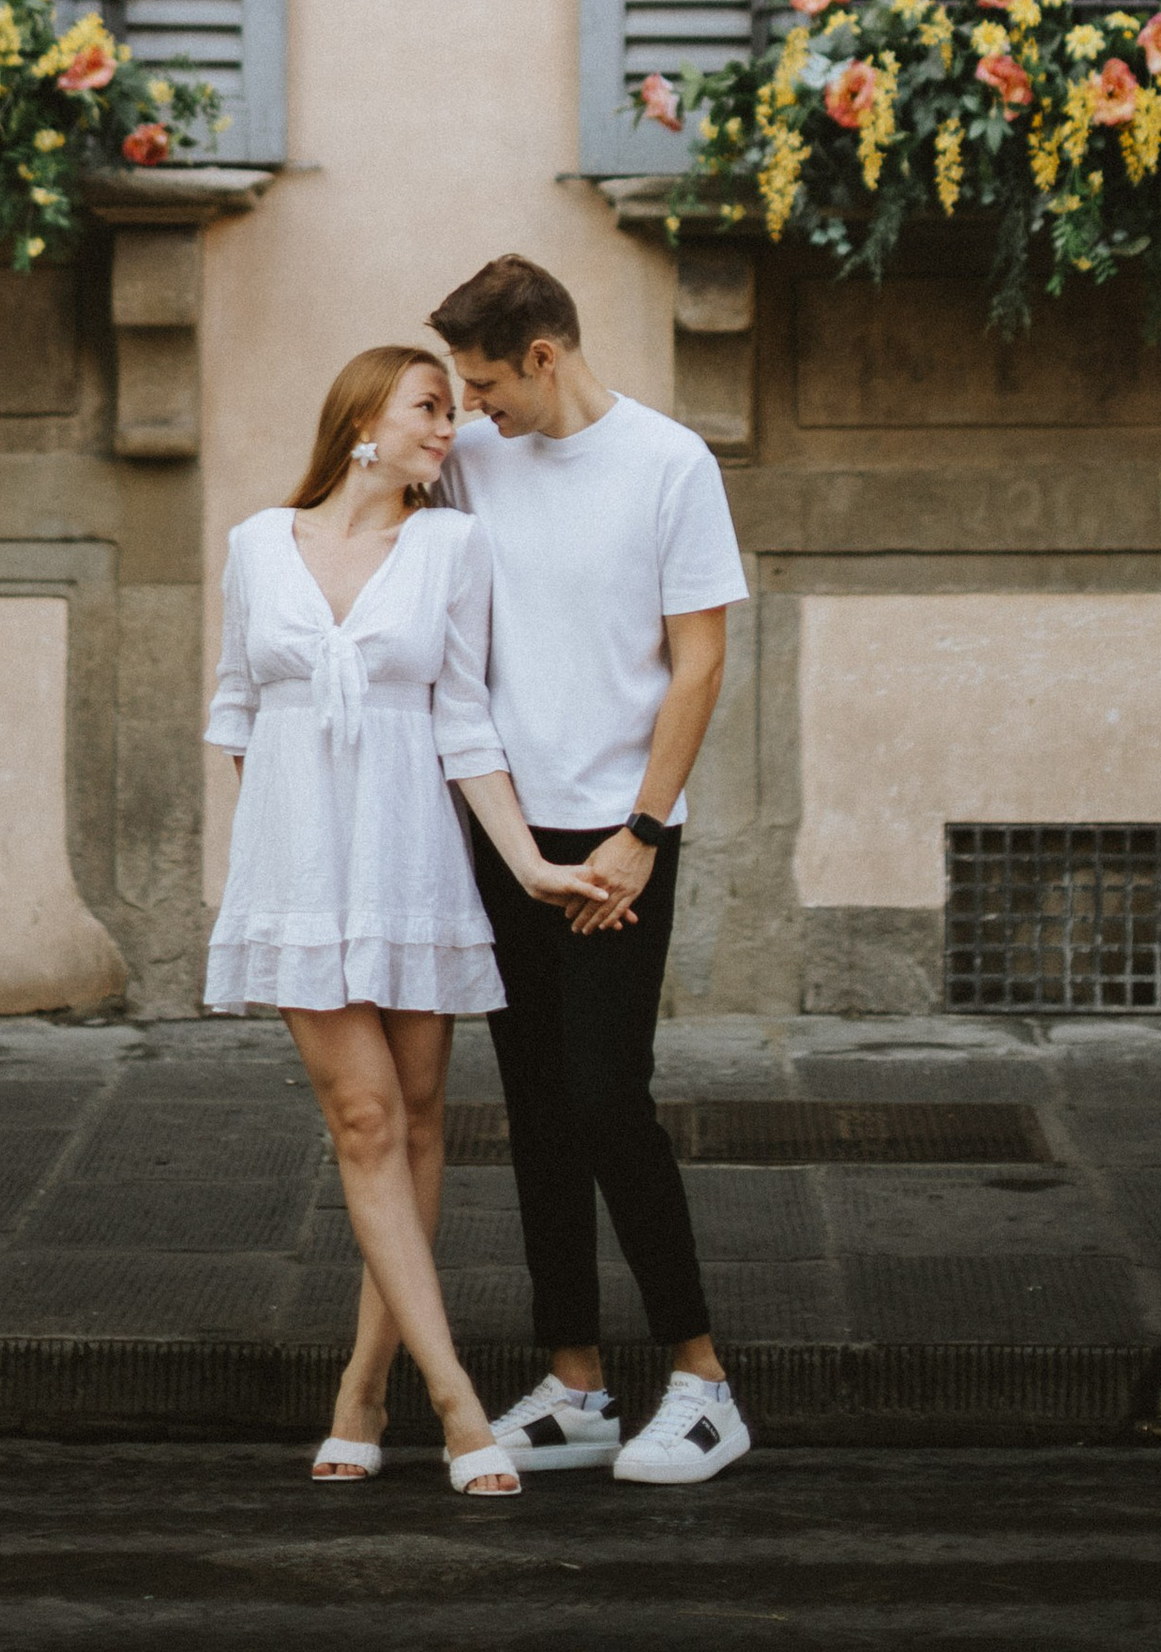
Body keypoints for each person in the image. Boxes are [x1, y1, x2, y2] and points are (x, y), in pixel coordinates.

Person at [204, 340, 612, 1496]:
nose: (452, 428)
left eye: (453, 408)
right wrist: (284, 861)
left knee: (421, 1124)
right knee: (367, 1122)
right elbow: (236, 708)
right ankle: (455, 1403)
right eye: (432, 408)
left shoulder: (450, 548)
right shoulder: (253, 547)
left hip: (414, 866)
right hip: (300, 880)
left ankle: (361, 1389)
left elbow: (466, 723)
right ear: (360, 424)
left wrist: (529, 863)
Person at [428, 253, 755, 1487]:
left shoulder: (670, 465)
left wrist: (644, 831)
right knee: (533, 1108)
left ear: (544, 356)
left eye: (485, 381)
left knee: (608, 1096)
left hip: (618, 835)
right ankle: (575, 1384)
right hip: (507, 832)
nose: (472, 406)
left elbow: (700, 663)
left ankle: (704, 1380)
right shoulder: (474, 461)